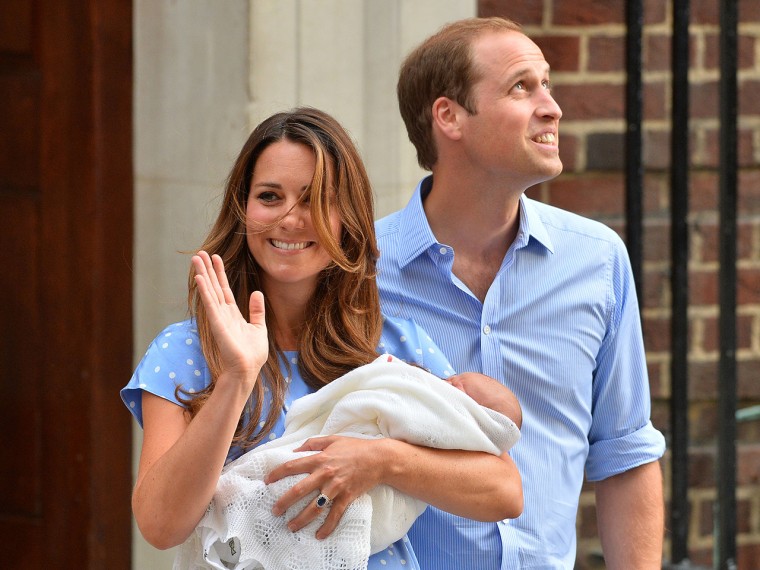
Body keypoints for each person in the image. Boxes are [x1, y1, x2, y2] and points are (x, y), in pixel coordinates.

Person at [121, 107, 523, 569]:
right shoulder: (185, 349)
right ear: (243, 209)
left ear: (346, 217)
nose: (290, 219)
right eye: (270, 196)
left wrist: (381, 461)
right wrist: (236, 377)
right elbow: (159, 524)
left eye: (315, 199)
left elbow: (505, 491)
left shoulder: (395, 347)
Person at [375, 16, 667, 569]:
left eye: (547, 84)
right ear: (449, 117)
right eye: (521, 86)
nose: (551, 107)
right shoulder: (359, 272)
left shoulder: (597, 261)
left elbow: (624, 454)